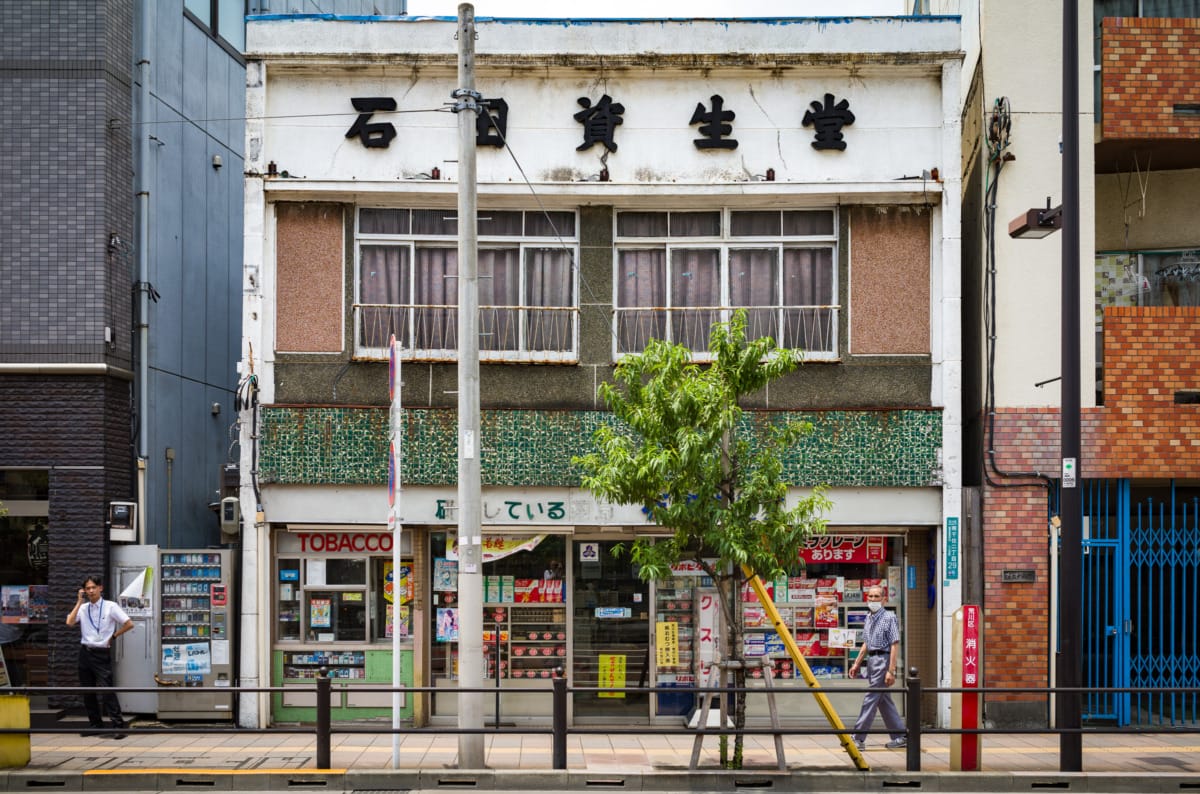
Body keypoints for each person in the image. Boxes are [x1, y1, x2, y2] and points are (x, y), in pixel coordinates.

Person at [65, 575, 134, 739]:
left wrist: (114, 636)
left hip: (101, 653)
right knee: (88, 691)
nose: (90, 591)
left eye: (93, 587)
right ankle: (95, 724)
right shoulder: (83, 608)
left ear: (100, 588)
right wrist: (78, 602)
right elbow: (69, 622)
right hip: (85, 652)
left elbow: (129, 623)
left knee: (107, 690)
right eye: (87, 588)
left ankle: (118, 726)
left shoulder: (111, 606)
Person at [846, 584, 906, 751]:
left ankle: (858, 738)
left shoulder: (889, 617)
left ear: (884, 600)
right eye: (870, 597)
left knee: (871, 697)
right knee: (883, 700)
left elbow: (894, 644)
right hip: (872, 660)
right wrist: (857, 662)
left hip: (883, 659)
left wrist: (891, 670)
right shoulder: (868, 617)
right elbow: (866, 642)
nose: (872, 600)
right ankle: (900, 736)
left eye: (876, 597)